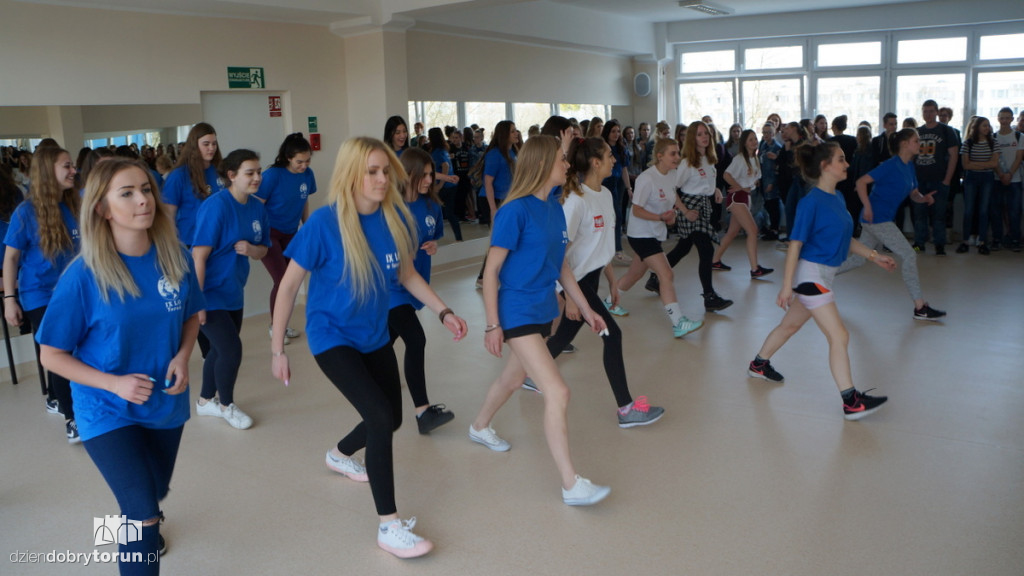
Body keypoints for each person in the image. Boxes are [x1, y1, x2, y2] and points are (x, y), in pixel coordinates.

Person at [271, 137, 466, 558]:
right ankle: (389, 526)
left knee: (392, 418)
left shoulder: (395, 220)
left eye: (386, 171)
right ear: (351, 175)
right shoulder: (324, 224)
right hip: (331, 335)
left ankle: (339, 453)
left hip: (373, 333)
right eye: (372, 171)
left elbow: (408, 275)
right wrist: (277, 349)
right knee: (379, 416)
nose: (382, 179)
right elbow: (287, 287)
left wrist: (444, 311)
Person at [37, 157, 204, 574]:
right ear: (102, 208)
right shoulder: (83, 276)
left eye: (146, 189)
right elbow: (50, 355)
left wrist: (183, 356)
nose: (142, 200)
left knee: (152, 493)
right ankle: (138, 525)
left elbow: (190, 316)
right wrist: (113, 384)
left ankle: (131, 522)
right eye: (126, 193)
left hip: (163, 402)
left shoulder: (177, 258)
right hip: (105, 406)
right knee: (143, 510)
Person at [469, 135, 611, 507]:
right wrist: (492, 324)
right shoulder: (514, 211)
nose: (567, 164)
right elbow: (491, 271)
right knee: (558, 392)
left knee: (513, 378)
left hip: (543, 310)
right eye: (562, 159)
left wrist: (587, 309)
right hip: (516, 311)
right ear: (543, 164)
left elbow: (562, 267)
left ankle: (479, 426)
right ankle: (571, 484)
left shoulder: (554, 207)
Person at [747, 142, 895, 421]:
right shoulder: (810, 202)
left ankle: (758, 364)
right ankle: (851, 401)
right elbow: (795, 244)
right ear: (825, 166)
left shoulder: (837, 197)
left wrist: (875, 256)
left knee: (789, 326)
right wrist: (787, 286)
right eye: (841, 159)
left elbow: (845, 239)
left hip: (824, 276)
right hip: (812, 277)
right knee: (839, 336)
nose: (847, 164)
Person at [528, 137, 665, 426]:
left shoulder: (605, 194)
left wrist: (612, 281)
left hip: (590, 279)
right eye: (609, 155)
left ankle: (529, 375)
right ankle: (626, 409)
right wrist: (569, 297)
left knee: (563, 335)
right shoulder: (576, 202)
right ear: (595, 162)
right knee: (612, 335)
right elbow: (558, 255)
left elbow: (601, 246)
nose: (614, 160)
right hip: (573, 281)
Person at [3, 145, 81, 442]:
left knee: (70, 349)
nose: (73, 170)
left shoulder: (74, 205)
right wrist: (10, 299)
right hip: (40, 294)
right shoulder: (26, 212)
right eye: (66, 166)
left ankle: (56, 398)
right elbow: (11, 259)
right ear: (49, 171)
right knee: (60, 350)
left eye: (73, 165)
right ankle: (72, 419)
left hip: (72, 291)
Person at [191, 149, 270, 429]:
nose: (257, 177)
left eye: (259, 172)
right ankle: (226, 405)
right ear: (232, 175)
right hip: (209, 293)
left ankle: (204, 402)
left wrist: (251, 249)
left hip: (233, 290)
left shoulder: (257, 207)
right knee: (231, 350)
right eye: (250, 173)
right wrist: (197, 302)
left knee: (218, 349)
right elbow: (198, 257)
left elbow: (263, 251)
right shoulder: (216, 207)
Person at [838, 128, 947, 320]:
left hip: (879, 219)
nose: (920, 144)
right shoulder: (890, 165)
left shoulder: (909, 166)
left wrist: (923, 198)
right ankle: (920, 307)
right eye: (916, 140)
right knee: (909, 254)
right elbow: (861, 182)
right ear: (904, 144)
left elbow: (914, 193)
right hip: (877, 218)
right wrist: (867, 206)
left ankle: (820, 275)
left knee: (858, 259)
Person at [390, 147, 455, 434]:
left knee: (383, 342)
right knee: (416, 339)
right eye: (425, 175)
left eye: (431, 174)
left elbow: (433, 237)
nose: (430, 180)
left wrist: (433, 246)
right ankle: (423, 412)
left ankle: (364, 372)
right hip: (392, 287)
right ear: (408, 174)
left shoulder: (431, 206)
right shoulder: (390, 208)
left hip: (417, 285)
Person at [614, 138, 703, 338]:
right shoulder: (646, 179)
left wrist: (683, 211)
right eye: (673, 153)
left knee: (634, 275)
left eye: (678, 153)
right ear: (660, 156)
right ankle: (679, 322)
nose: (677, 157)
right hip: (641, 235)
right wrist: (661, 217)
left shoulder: (672, 174)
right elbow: (636, 210)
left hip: (655, 234)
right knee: (666, 274)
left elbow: (673, 195)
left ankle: (610, 302)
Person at [646, 121, 733, 312]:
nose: (704, 137)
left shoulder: (709, 159)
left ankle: (655, 277)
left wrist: (716, 190)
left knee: (683, 247)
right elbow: (672, 188)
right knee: (706, 250)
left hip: (704, 207)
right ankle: (709, 296)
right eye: (699, 134)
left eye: (706, 133)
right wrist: (685, 211)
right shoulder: (686, 162)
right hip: (690, 208)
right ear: (692, 138)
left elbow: (706, 183)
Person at [256, 133, 316, 345]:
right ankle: (276, 327)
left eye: (307, 161)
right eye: (299, 161)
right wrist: (257, 235)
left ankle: (283, 324)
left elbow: (304, 201)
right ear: (288, 157)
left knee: (292, 280)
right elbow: (257, 205)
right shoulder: (272, 175)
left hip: (292, 233)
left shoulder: (307, 175)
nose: (304, 165)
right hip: (270, 234)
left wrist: (307, 228)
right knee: (282, 280)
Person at [712, 129, 773, 278]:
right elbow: (726, 175)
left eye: (755, 139)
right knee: (753, 230)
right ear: (744, 143)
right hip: (737, 198)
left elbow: (754, 179)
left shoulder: (755, 158)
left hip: (746, 197)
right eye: (750, 139)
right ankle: (755, 269)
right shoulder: (739, 159)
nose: (754, 142)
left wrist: (750, 184)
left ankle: (715, 261)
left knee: (732, 232)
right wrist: (739, 186)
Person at [161, 123, 221, 246]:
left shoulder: (219, 171)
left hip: (218, 239)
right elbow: (168, 215)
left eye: (214, 144)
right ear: (194, 145)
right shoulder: (179, 176)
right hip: (190, 242)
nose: (211, 148)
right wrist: (174, 244)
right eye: (206, 144)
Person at [913, 100, 959, 254]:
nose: (928, 114)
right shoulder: (917, 131)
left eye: (931, 111)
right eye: (925, 111)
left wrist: (947, 180)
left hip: (939, 180)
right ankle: (919, 243)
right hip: (919, 180)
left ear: (937, 112)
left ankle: (939, 244)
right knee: (919, 214)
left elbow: (953, 156)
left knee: (939, 215)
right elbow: (909, 156)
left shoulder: (947, 131)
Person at [956, 116, 1000, 255]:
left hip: (987, 178)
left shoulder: (993, 143)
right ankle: (965, 241)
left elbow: (994, 163)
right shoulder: (968, 143)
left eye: (988, 125)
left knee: (984, 210)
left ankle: (982, 242)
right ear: (977, 128)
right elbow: (965, 165)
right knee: (969, 210)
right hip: (971, 178)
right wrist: (985, 165)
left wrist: (975, 164)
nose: (987, 128)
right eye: (984, 125)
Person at [602, 120, 633, 265]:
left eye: (618, 131)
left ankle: (617, 249)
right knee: (612, 216)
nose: (616, 134)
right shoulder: (603, 147)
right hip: (605, 183)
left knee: (618, 215)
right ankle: (614, 250)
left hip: (618, 183)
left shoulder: (622, 148)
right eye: (613, 131)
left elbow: (625, 169)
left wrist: (629, 188)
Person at [992, 107, 1022, 252]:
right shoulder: (993, 137)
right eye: (1002, 118)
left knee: (1014, 211)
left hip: (1015, 180)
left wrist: (1009, 174)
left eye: (1007, 118)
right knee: (996, 211)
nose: (1004, 121)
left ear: (1012, 119)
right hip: (997, 179)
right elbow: (994, 159)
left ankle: (1015, 239)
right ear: (998, 119)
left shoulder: (1019, 136)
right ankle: (997, 239)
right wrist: (1001, 174)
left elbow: (1019, 158)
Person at [427, 127, 462, 241]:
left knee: (434, 210)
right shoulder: (443, 150)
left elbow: (445, 166)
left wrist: (440, 185)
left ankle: (432, 236)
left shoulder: (438, 151)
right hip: (451, 185)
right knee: (448, 212)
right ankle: (458, 237)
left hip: (446, 186)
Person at [759, 122, 783, 240]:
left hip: (771, 181)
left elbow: (777, 167)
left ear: (773, 133)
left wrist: (772, 182)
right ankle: (769, 228)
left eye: (769, 132)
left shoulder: (777, 147)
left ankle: (775, 230)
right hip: (763, 179)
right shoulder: (763, 145)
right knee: (767, 205)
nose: (766, 135)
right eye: (764, 132)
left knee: (773, 205)